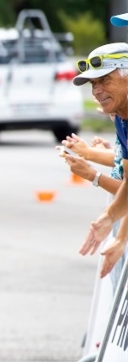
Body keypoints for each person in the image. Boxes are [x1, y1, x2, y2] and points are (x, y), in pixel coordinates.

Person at [74, 42, 128, 277]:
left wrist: (92, 174)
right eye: (93, 83)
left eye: (105, 80)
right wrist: (118, 235)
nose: (96, 90)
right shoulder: (122, 118)